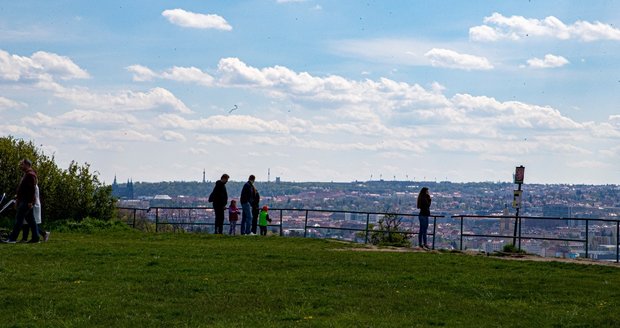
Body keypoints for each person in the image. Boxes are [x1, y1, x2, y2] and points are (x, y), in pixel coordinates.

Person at [5, 159, 40, 243]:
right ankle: (35, 238)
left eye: (22, 164)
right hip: (25, 201)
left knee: (18, 220)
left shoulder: (30, 175)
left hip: (26, 201)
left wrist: (30, 202)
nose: (21, 166)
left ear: (27, 165)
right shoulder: (27, 174)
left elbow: (31, 190)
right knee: (31, 221)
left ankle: (12, 238)